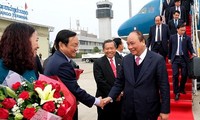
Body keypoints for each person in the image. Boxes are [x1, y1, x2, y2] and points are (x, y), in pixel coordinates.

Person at [103, 30, 170, 120]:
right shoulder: (126, 60)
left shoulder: (157, 60)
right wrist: (110, 97)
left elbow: (164, 86)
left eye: (132, 43)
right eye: (128, 44)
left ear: (142, 41)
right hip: (128, 110)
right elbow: (119, 82)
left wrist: (165, 110)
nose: (130, 47)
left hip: (148, 110)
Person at [44, 29, 103, 120]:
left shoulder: (54, 59)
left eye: (77, 45)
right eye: (74, 45)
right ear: (61, 45)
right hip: (64, 112)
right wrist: (97, 101)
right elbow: (75, 89)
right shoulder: (62, 64)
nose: (77, 49)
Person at [93, 40, 122, 120]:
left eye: (112, 48)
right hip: (105, 98)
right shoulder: (98, 62)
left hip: (120, 100)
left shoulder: (121, 61)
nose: (109, 51)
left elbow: (125, 79)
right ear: (103, 50)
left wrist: (121, 92)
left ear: (115, 49)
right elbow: (100, 81)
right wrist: (114, 95)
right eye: (107, 48)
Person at [168, 23, 196, 100]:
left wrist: (193, 52)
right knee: (175, 75)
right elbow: (170, 48)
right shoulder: (172, 37)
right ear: (177, 29)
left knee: (184, 75)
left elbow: (190, 47)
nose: (183, 32)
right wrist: (169, 58)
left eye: (184, 30)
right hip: (175, 59)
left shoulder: (187, 38)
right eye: (182, 30)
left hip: (184, 58)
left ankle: (181, 88)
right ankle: (176, 92)